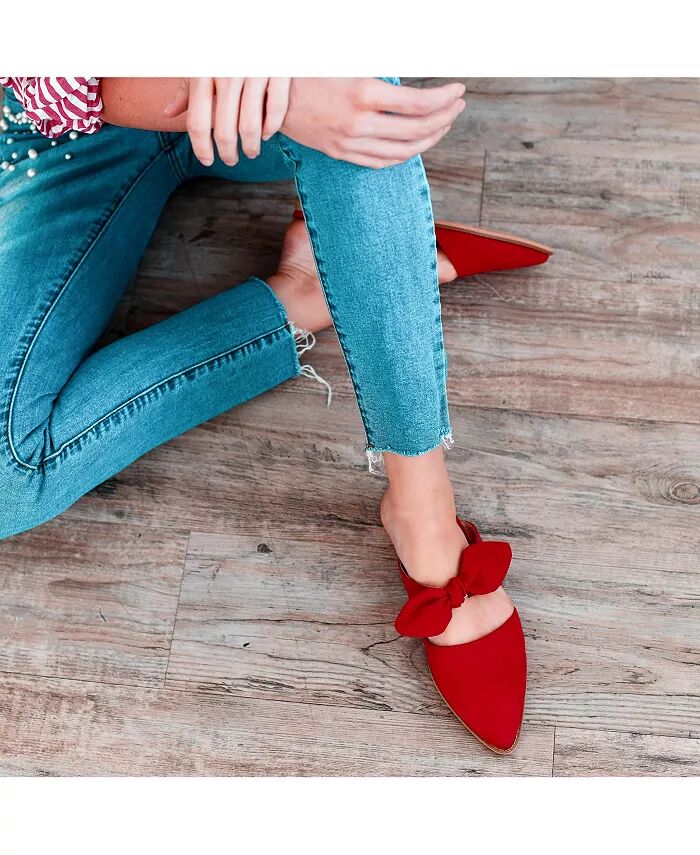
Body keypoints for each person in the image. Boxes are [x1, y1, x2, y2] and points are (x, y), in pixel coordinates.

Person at [0, 76, 543, 752]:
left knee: (351, 67)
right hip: (62, 131)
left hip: (261, 83)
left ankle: (424, 511)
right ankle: (316, 289)